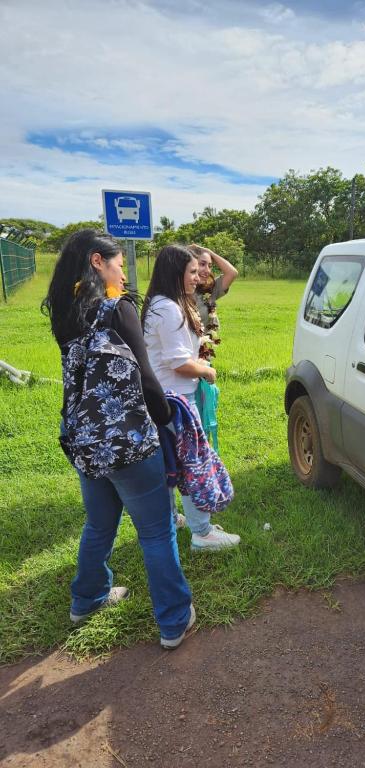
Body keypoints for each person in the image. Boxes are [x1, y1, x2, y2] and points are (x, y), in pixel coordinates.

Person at [42, 229, 194, 650]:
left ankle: (87, 598)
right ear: (97, 261)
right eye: (119, 265)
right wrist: (167, 417)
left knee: (98, 523)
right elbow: (147, 379)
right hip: (128, 442)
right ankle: (174, 621)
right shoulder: (118, 309)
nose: (123, 274)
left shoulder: (66, 312)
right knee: (157, 531)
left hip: (84, 441)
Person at [141, 244, 240, 551]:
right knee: (190, 464)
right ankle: (202, 533)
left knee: (170, 463)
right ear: (176, 273)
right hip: (178, 400)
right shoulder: (169, 309)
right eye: (193, 272)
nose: (199, 278)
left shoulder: (161, 303)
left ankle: (171, 518)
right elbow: (178, 363)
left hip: (165, 398)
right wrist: (206, 371)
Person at [188, 244, 238, 348]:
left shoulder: (210, 290)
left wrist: (208, 251)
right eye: (202, 264)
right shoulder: (176, 292)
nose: (207, 270)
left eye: (210, 266)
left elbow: (232, 273)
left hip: (203, 354)